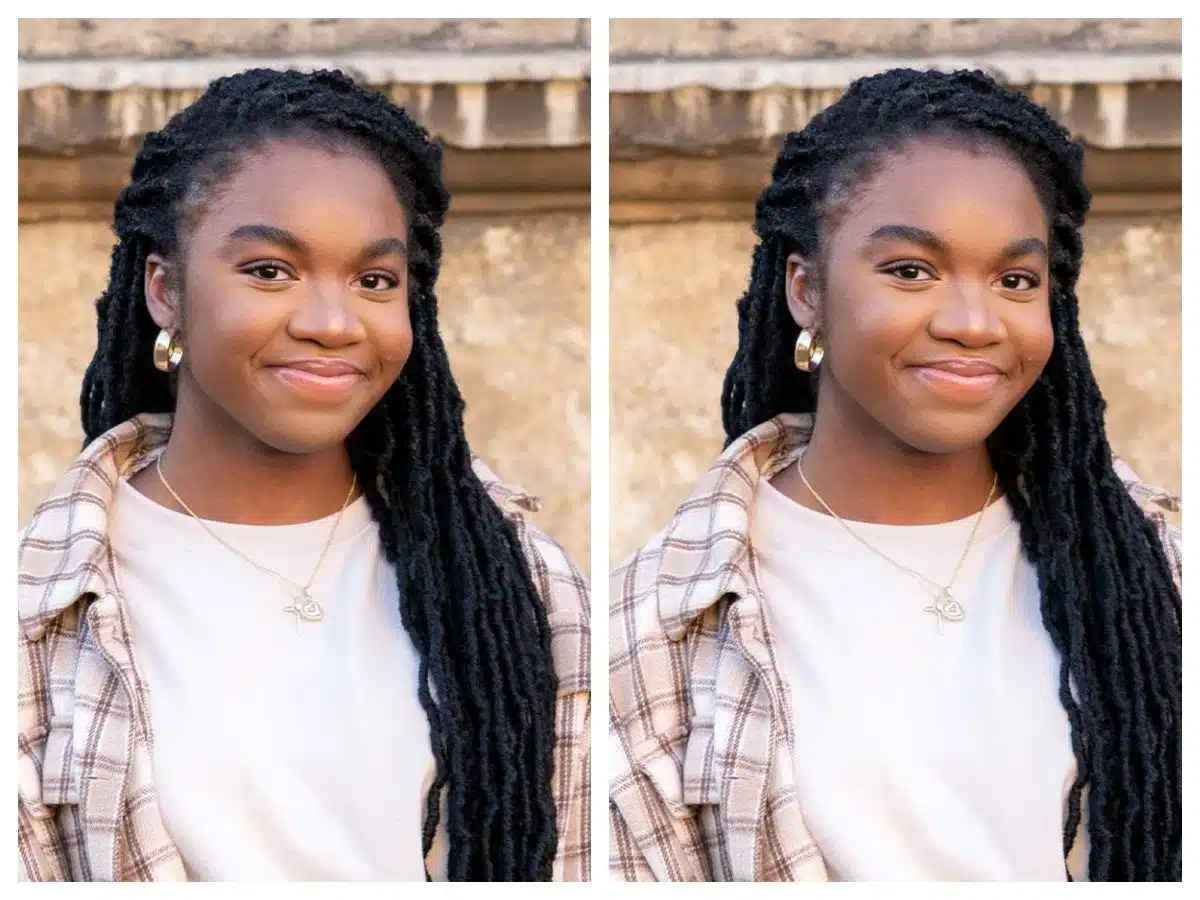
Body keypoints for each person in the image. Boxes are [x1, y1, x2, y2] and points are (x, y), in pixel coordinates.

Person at [609, 68, 1181, 882]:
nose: (974, 323)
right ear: (806, 290)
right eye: (911, 271)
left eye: (1016, 280)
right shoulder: (657, 623)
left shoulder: (1160, 569)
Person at [18, 68, 590, 882]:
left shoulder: (518, 584)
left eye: (373, 281)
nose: (331, 323)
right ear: (164, 289)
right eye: (269, 271)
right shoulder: (42, 617)